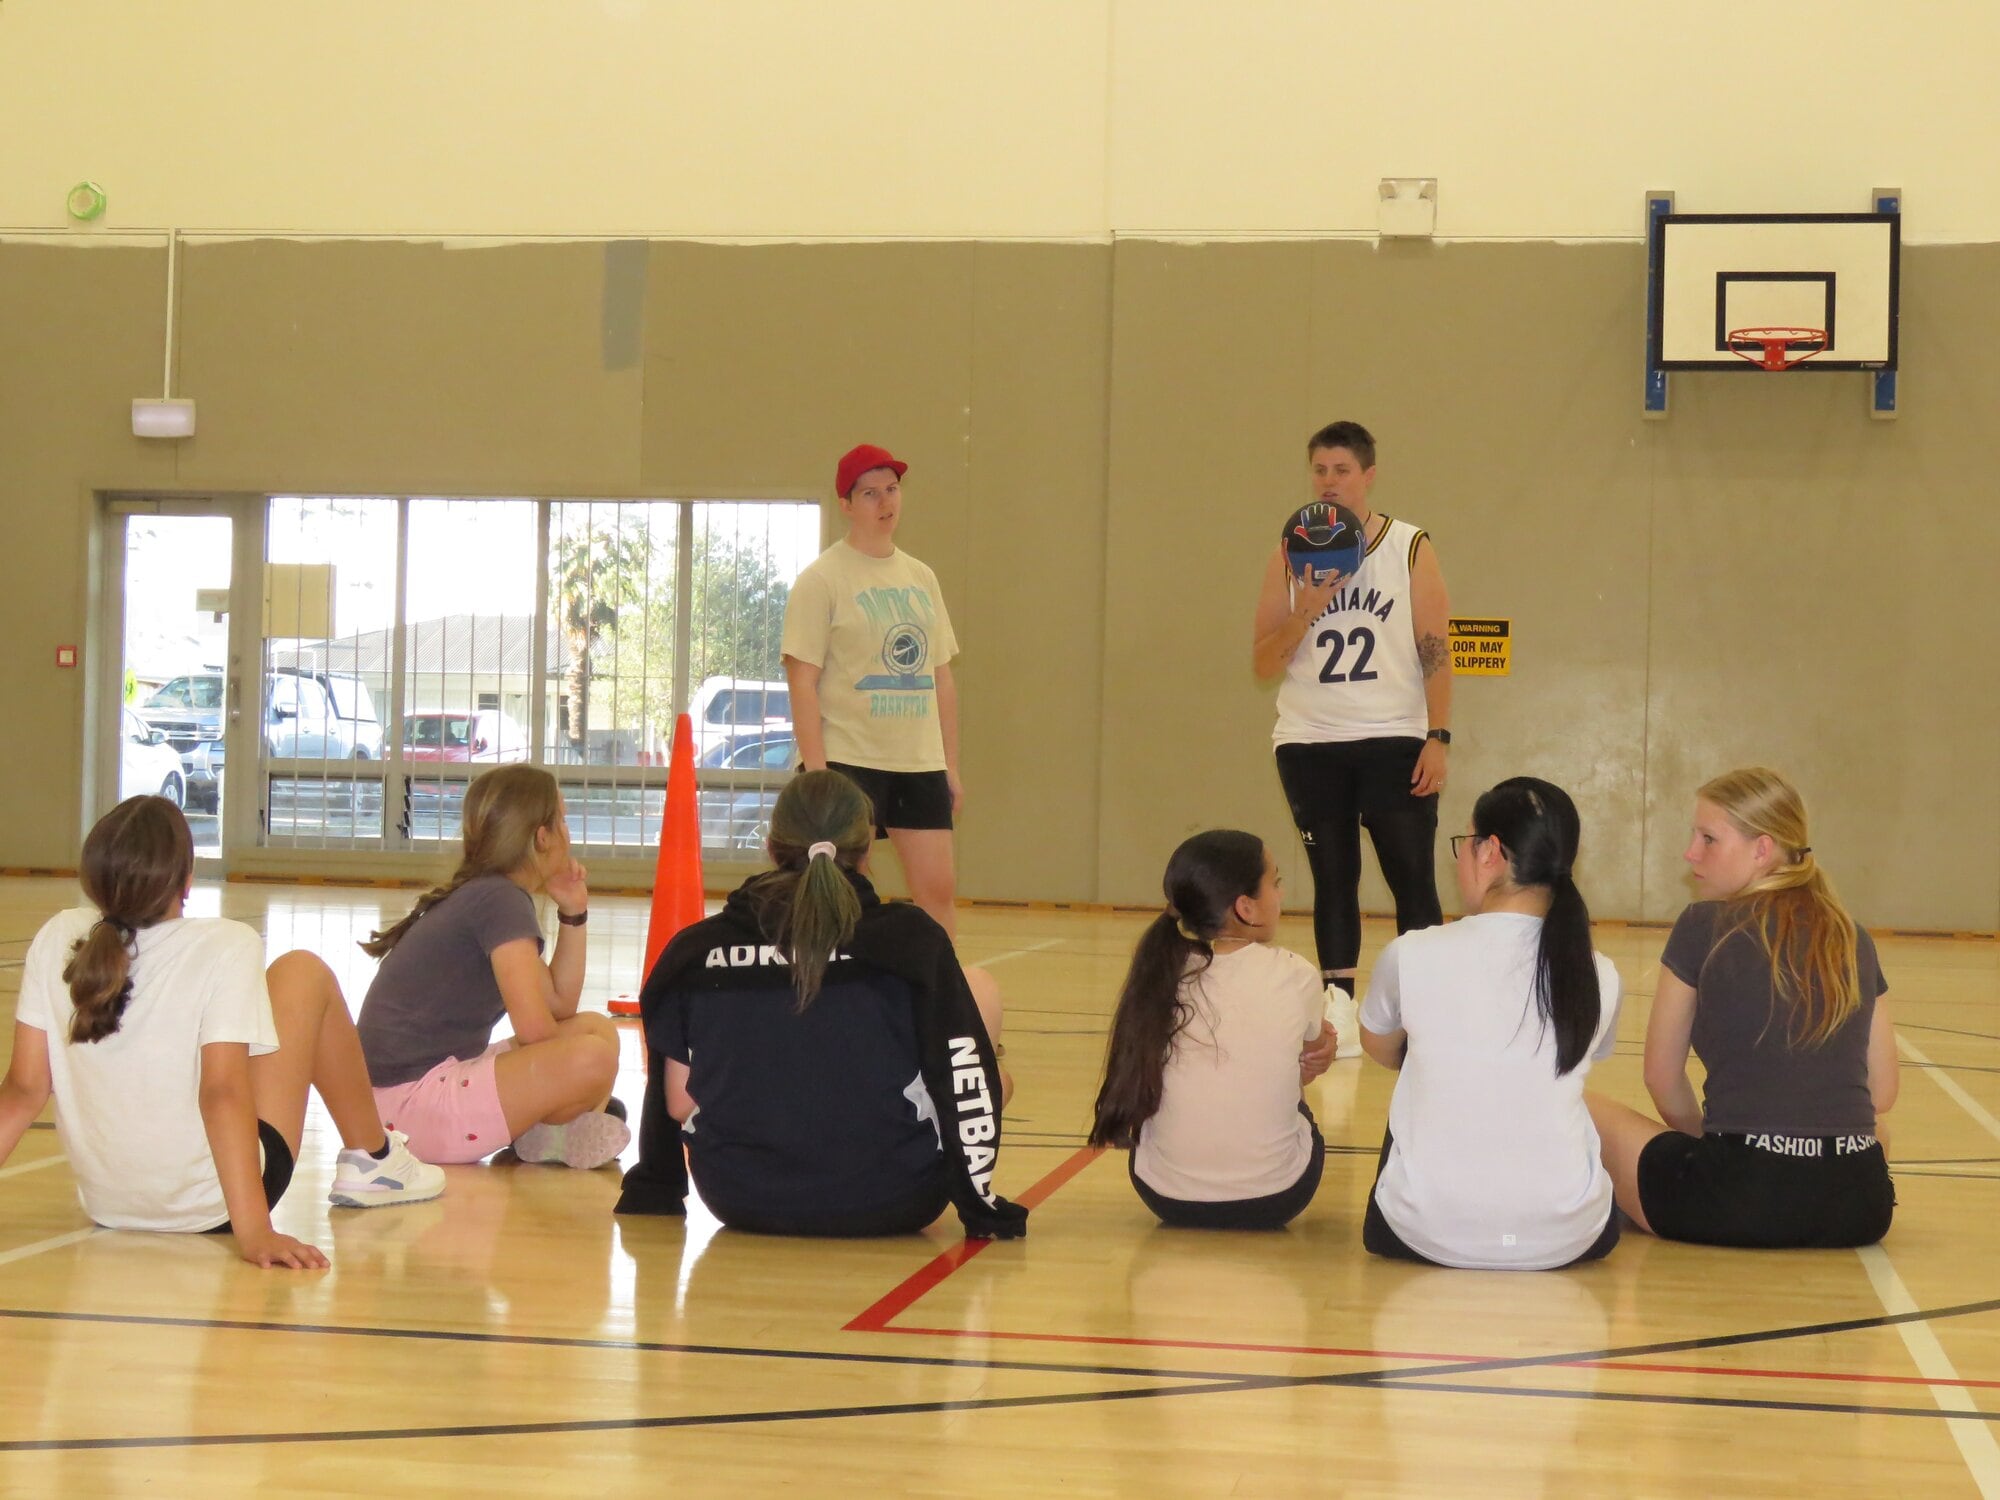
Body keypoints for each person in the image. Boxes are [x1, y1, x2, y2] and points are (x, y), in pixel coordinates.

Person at [0, 797, 444, 1270]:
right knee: (303, 973)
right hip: (211, 1208)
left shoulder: (57, 935)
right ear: (186, 883)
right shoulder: (226, 944)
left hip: (111, 1205)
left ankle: (374, 1157)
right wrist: (254, 1231)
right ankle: (374, 1158)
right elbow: (222, 1092)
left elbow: (24, 1089)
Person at [615, 769, 1026, 1239]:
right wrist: (980, 1205)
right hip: (895, 1198)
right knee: (986, 1032)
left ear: (771, 847)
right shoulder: (911, 942)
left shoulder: (699, 950)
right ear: (868, 849)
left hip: (741, 1196)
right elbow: (960, 1081)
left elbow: (677, 1103)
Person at [1587, 768, 1897, 1249]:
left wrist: (1720, 1142)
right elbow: (1882, 1092)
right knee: (1877, 1132)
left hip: (1735, 1201)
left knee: (1582, 1103)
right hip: (1861, 1208)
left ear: (1762, 849)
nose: (1691, 853)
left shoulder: (1701, 925)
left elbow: (1660, 1077)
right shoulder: (1851, 934)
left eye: (1708, 839)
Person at [1358, 777, 1623, 1270]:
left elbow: (1376, 1044)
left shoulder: (1412, 952)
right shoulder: (1597, 972)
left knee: (1414, 1095)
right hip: (1567, 1238)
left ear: (1489, 852)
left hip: (1422, 1233)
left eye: (1465, 843)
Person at [1251, 421, 1453, 1055]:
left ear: (1368, 474)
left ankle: (1424, 1003)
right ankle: (1338, 1000)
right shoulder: (1290, 551)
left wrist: (1438, 735)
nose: (1329, 481)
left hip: (1394, 735)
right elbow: (1261, 662)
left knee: (1409, 872)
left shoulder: (1408, 545)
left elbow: (1436, 651)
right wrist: (1309, 604)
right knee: (1331, 872)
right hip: (1310, 738)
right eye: (1319, 470)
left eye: (1341, 470)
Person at [356, 764, 629, 1170]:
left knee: (596, 1028)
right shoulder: (500, 901)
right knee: (593, 1057)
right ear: (542, 836)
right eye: (563, 821)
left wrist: (573, 912)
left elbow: (558, 1004)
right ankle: (548, 1130)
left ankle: (547, 1131)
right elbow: (536, 1031)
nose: (568, 835)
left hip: (400, 1100)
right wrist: (569, 1085)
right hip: (412, 1110)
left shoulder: (488, 895)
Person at [1088, 831, 1338, 1230]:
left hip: (1164, 1197)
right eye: (1274, 882)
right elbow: (1315, 1052)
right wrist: (1324, 1046)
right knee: (1296, 1092)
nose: (1281, 893)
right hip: (1277, 1198)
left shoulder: (1162, 972)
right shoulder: (1296, 973)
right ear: (1246, 908)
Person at [783, 443, 964, 937]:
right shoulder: (821, 579)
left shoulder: (921, 577)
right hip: (849, 758)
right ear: (845, 504)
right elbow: (803, 681)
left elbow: (940, 677)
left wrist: (950, 765)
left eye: (892, 490)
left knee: (938, 891)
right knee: (846, 890)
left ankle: (937, 996)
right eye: (869, 494)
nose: (885, 503)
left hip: (917, 762)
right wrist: (817, 776)